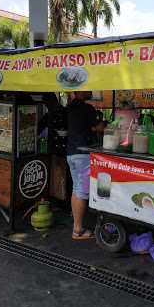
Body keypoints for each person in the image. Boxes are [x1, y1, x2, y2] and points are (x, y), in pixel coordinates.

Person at [67, 91, 98, 240]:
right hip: (83, 154)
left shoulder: (70, 107)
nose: (90, 91)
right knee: (82, 191)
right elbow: (99, 128)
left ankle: (76, 225)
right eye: (88, 89)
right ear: (79, 90)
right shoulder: (87, 108)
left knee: (76, 188)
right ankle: (77, 230)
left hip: (71, 153)